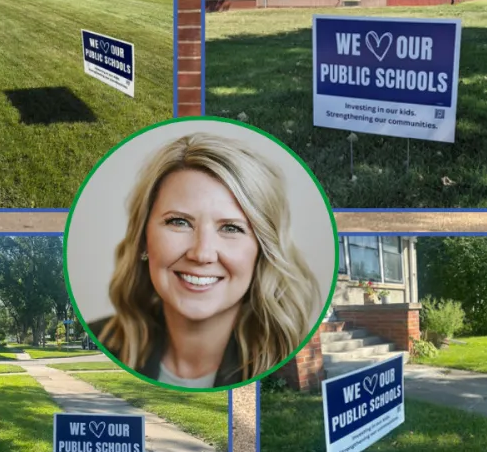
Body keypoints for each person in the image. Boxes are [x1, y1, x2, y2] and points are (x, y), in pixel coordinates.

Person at [86, 132, 322, 389]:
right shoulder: (98, 342)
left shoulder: (287, 361)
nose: (202, 254)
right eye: (179, 222)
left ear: (262, 250)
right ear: (143, 237)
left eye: (231, 228)